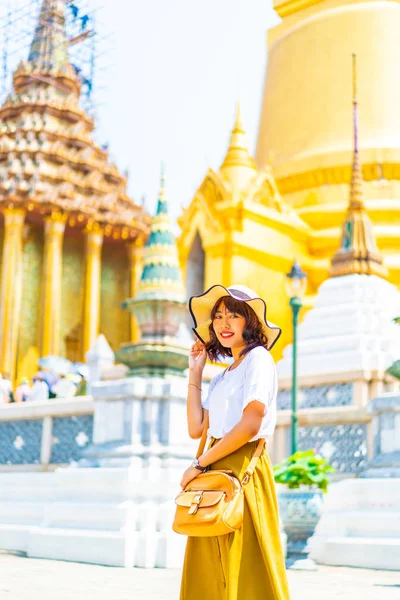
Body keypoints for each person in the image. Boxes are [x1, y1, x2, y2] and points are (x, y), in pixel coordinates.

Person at [179, 284, 290, 600]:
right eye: (217, 316)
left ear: (250, 321)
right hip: (214, 470)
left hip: (244, 466)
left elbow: (251, 422)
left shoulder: (259, 359)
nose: (223, 323)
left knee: (247, 562)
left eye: (233, 315)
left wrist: (197, 465)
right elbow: (196, 427)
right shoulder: (223, 376)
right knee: (210, 562)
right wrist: (196, 373)